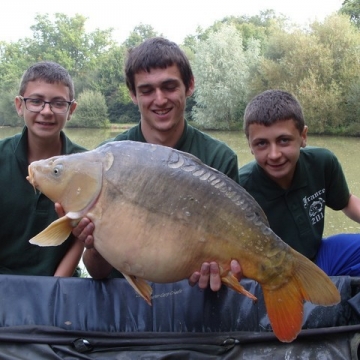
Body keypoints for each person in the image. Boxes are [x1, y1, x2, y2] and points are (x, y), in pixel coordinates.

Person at [70, 37, 242, 288]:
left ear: (189, 86)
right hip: (129, 301)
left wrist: (225, 273)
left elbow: (234, 260)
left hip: (194, 300)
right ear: (133, 94)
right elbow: (97, 272)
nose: (159, 100)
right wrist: (95, 245)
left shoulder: (219, 158)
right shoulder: (106, 161)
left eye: (169, 86)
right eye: (147, 90)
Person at [239, 89, 360, 275]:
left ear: (303, 136)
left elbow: (346, 201)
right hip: (273, 274)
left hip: (318, 256)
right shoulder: (239, 188)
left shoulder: (322, 162)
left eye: (284, 140)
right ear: (250, 145)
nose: (274, 155)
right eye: (261, 143)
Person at [0, 61, 85, 276]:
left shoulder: (86, 164)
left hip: (59, 283)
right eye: (36, 101)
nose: (46, 111)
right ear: (20, 105)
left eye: (58, 103)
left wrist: (55, 286)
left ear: (70, 109)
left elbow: (81, 237)